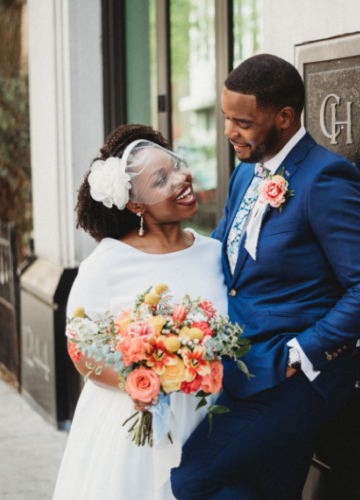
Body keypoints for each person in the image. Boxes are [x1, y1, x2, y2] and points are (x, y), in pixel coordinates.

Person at [171, 54, 360, 499]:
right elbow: (224, 256)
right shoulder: (244, 174)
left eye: (242, 122)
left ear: (285, 117)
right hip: (245, 366)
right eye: (226, 118)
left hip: (300, 378)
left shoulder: (325, 179)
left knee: (192, 477)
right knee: (269, 488)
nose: (229, 131)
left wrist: (301, 350)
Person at [53, 124, 227, 500]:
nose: (182, 179)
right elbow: (80, 349)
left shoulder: (215, 251)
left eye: (177, 166)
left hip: (208, 418)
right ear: (136, 205)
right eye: (162, 179)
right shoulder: (107, 264)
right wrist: (139, 384)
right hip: (133, 427)